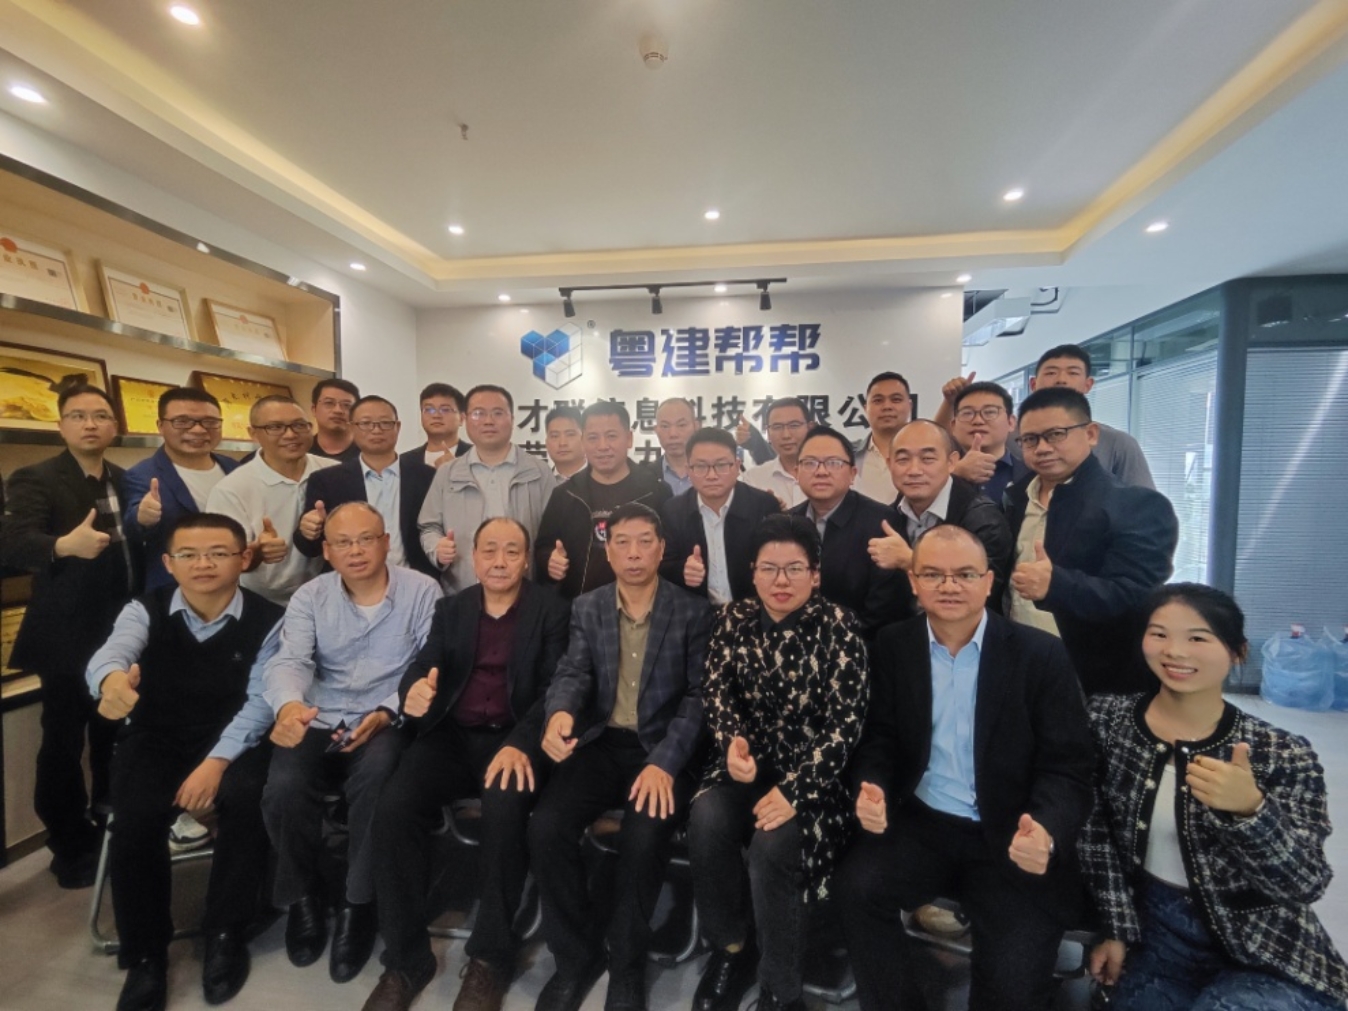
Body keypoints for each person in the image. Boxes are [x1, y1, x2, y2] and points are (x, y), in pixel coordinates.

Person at [837, 525, 1095, 1011]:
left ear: (989, 580)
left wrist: (1047, 829)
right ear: (913, 581)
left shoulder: (1041, 655)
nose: (949, 586)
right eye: (933, 574)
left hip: (1011, 831)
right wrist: (872, 786)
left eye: (965, 574)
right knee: (856, 888)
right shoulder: (894, 645)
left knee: (1010, 988)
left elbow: (1068, 767)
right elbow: (880, 738)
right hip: (923, 823)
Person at [1081, 584, 1348, 1010]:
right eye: (1159, 634)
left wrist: (1252, 811)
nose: (1175, 651)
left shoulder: (1281, 751)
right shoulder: (1107, 721)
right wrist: (1117, 927)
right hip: (1159, 940)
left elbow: (1306, 881)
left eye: (1198, 638)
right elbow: (1095, 835)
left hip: (1262, 951)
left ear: (1237, 652)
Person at [362, 518, 570, 1011]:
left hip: (514, 739)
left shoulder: (552, 610)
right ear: (473, 558)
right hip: (451, 737)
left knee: (504, 810)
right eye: (489, 550)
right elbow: (424, 664)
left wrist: (523, 743)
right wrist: (414, 688)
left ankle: (491, 958)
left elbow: (557, 687)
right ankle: (406, 959)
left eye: (512, 551)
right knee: (393, 810)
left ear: (526, 560)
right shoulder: (451, 608)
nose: (500, 561)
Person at [87, 513, 282, 1011]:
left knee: (247, 800)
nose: (203, 564)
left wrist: (214, 764)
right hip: (158, 737)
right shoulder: (145, 609)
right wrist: (110, 681)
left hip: (236, 739)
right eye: (189, 554)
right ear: (169, 562)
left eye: (218, 553)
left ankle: (226, 933)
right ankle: (145, 954)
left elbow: (261, 703)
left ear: (244, 558)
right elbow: (113, 653)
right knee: (135, 819)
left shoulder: (270, 618)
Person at [528, 503, 712, 1011]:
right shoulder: (588, 607)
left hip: (661, 749)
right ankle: (574, 957)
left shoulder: (693, 611)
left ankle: (626, 962)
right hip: (603, 743)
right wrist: (559, 714)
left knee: (643, 836)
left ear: (661, 548)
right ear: (608, 552)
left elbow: (700, 698)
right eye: (622, 543)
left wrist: (665, 763)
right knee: (546, 827)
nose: (633, 553)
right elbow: (574, 672)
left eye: (644, 541)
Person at [688, 514, 868, 1011]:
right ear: (753, 572)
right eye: (768, 568)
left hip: (814, 776)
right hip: (745, 763)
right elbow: (716, 691)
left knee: (773, 845)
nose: (780, 581)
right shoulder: (733, 618)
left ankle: (780, 987)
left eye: (794, 569)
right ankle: (731, 947)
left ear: (816, 574)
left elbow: (845, 725)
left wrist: (795, 791)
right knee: (706, 818)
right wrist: (731, 742)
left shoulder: (840, 627)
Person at [262, 502, 439, 984]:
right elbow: (291, 660)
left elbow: (429, 664)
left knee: (378, 780)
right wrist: (288, 706)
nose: (355, 551)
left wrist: (388, 710)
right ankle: (302, 897)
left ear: (386, 542)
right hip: (320, 712)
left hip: (386, 715)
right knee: (283, 788)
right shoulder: (310, 596)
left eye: (366, 539)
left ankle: (357, 902)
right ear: (327, 550)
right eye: (343, 542)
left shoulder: (422, 590)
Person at [0, 384, 138, 888]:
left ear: (115, 426)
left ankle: (109, 824)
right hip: (66, 637)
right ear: (60, 426)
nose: (90, 424)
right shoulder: (35, 478)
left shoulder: (125, 479)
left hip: (122, 632)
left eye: (101, 415)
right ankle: (68, 844)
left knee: (114, 734)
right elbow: (12, 543)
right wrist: (62, 545)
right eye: (78, 415)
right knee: (62, 742)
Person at [1005, 387, 1178, 694]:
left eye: (1055, 434)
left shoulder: (1137, 505)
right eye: (1030, 439)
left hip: (1091, 674)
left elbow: (1138, 596)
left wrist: (1056, 585)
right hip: (1020, 659)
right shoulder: (1015, 498)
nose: (1042, 448)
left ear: (1091, 434)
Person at [418, 384, 556, 594]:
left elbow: (554, 532)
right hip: (462, 593)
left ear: (512, 419)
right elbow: (429, 526)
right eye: (478, 413)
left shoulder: (538, 471)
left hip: (525, 594)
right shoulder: (447, 473)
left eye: (498, 413)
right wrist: (437, 548)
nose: (488, 421)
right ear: (465, 419)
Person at [206, 395, 338, 605]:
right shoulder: (231, 489)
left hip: (329, 594)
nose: (291, 434)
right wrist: (256, 552)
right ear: (253, 433)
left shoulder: (334, 471)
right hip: (264, 602)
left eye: (299, 425)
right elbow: (219, 559)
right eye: (275, 427)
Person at [865, 420, 1013, 607]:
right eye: (903, 460)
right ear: (889, 464)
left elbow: (981, 596)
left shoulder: (984, 520)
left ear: (952, 462)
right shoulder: (887, 517)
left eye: (927, 459)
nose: (914, 470)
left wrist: (910, 561)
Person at [534, 401, 672, 599]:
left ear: (629, 438)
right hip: (579, 607)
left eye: (611, 436)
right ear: (583, 441)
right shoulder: (566, 494)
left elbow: (671, 552)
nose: (602, 446)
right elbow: (542, 547)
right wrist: (550, 560)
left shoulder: (655, 491)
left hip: (645, 606)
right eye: (593, 438)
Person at [293, 395, 437, 578]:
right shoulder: (327, 480)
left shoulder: (428, 477)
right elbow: (310, 549)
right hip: (351, 583)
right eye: (366, 423)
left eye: (385, 423)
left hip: (415, 581)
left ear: (398, 427)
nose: (376, 430)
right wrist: (308, 532)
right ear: (352, 427)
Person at [787, 427, 910, 637]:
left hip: (861, 644)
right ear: (797, 473)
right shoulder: (786, 523)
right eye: (810, 463)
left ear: (853, 473)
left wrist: (835, 643)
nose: (821, 471)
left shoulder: (881, 522)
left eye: (834, 463)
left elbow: (885, 607)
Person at [123, 387, 238, 592]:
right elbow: (131, 529)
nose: (198, 430)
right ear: (160, 426)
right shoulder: (142, 475)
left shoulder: (234, 468)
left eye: (210, 422)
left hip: (235, 585)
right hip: (175, 590)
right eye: (182, 421)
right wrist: (143, 518)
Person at [658, 427, 781, 604]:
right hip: (697, 613)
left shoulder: (764, 506)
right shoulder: (673, 510)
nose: (711, 475)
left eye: (721, 465)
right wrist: (682, 570)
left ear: (737, 466)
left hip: (754, 610)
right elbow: (663, 563)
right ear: (688, 470)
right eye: (701, 467)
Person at [945, 380, 1030, 508]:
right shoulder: (936, 472)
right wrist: (955, 474)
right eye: (967, 413)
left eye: (990, 412)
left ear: (1011, 422)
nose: (978, 421)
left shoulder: (1032, 474)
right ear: (953, 426)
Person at [852, 372, 913, 503]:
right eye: (878, 401)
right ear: (865, 408)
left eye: (896, 400)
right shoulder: (848, 455)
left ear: (910, 406)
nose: (887, 407)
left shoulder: (924, 457)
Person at [742, 398, 811, 509]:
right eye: (777, 427)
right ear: (768, 433)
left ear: (809, 428)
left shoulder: (830, 474)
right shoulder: (753, 479)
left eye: (794, 425)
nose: (786, 435)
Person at [646, 397, 700, 496]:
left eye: (681, 425)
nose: (673, 434)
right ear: (656, 430)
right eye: (665, 426)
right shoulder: (646, 476)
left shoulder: (712, 473)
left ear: (696, 426)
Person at [416, 382, 471, 469]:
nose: (436, 415)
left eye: (445, 410)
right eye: (429, 410)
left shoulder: (479, 456)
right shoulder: (403, 462)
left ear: (461, 418)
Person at [308, 378, 362, 463]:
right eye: (329, 403)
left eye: (346, 405)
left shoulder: (368, 453)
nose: (338, 410)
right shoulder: (302, 451)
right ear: (314, 409)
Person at [545, 405, 586, 480]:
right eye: (555, 436)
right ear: (547, 443)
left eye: (570, 434)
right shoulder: (541, 483)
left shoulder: (603, 479)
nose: (562, 443)